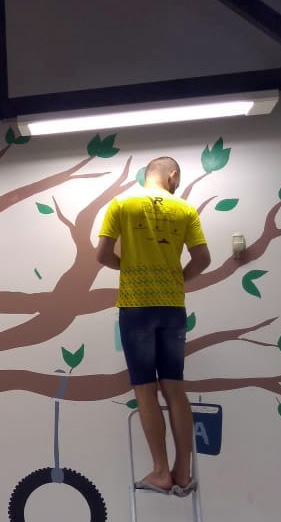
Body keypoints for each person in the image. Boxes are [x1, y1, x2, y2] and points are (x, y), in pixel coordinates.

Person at [97, 156, 211, 497]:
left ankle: (161, 471)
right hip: (172, 307)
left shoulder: (120, 204)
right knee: (174, 387)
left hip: (136, 308)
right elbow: (203, 258)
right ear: (172, 175)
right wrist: (176, 281)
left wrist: (129, 268)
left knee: (145, 389)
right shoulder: (186, 210)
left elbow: (101, 255)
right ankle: (183, 469)